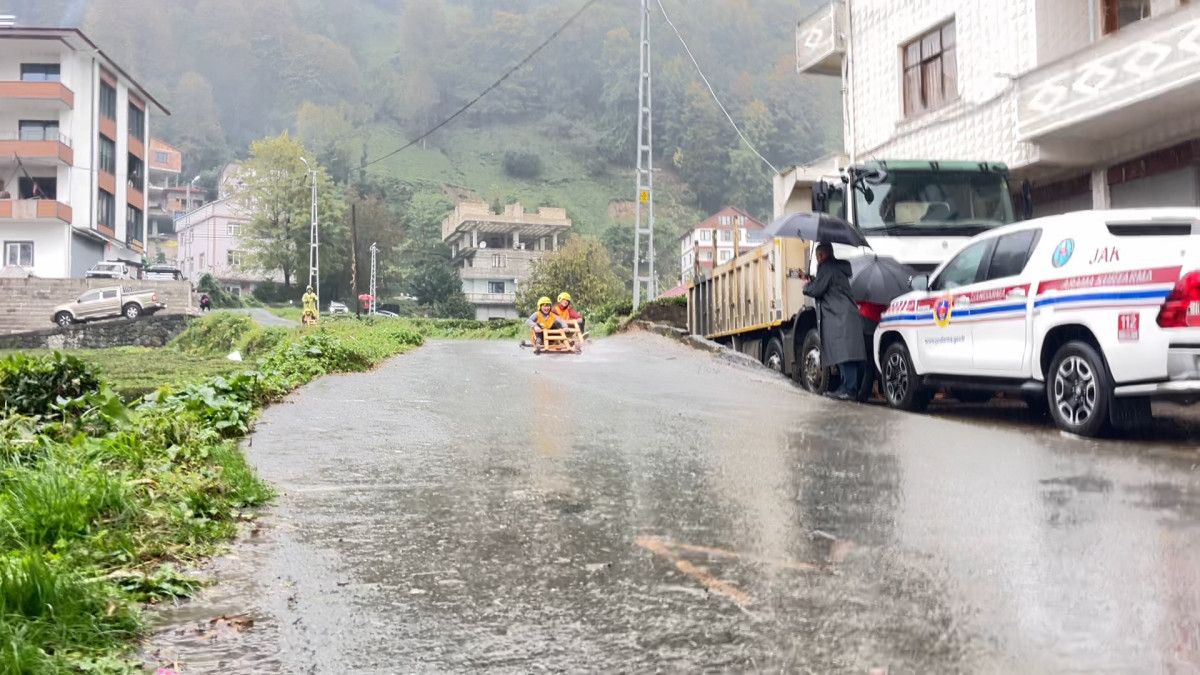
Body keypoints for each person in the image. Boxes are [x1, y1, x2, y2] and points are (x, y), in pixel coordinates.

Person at [803, 242, 867, 401]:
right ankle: (845, 387)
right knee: (843, 354)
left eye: (819, 256)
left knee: (845, 355)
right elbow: (826, 284)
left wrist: (806, 286)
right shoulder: (836, 268)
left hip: (839, 316)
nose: (817, 260)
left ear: (823, 255)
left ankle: (849, 389)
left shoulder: (827, 268)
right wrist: (813, 279)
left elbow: (817, 289)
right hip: (845, 315)